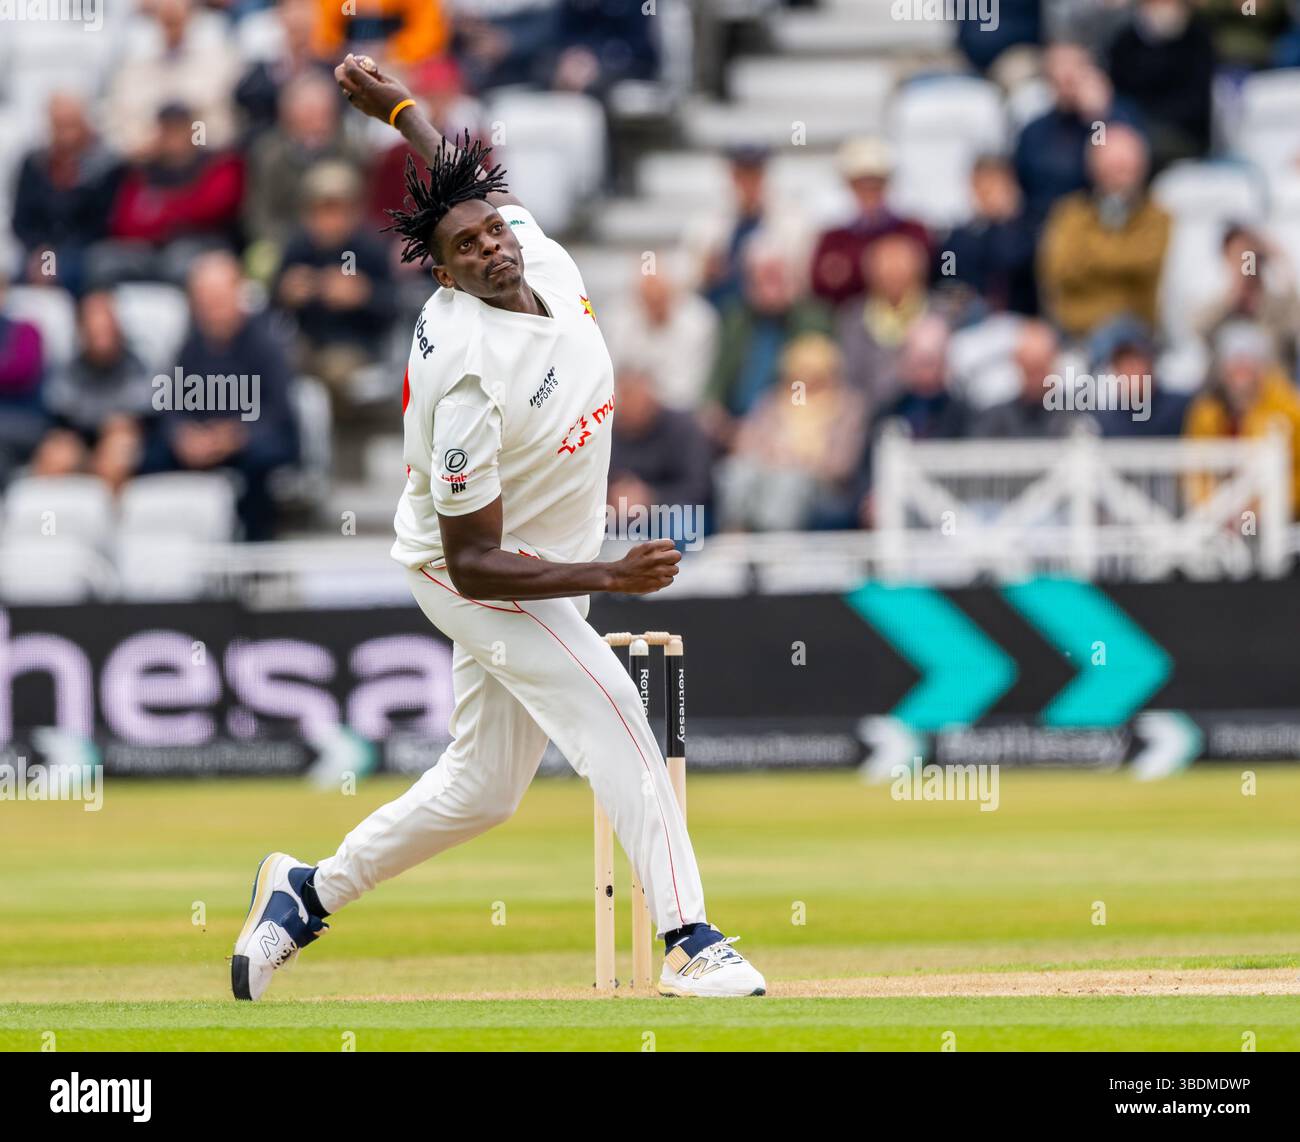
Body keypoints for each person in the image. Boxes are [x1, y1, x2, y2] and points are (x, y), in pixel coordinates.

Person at [229, 55, 767, 1002]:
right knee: (620, 719)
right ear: (442, 274)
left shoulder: (526, 245)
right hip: (467, 569)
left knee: (483, 789)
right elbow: (475, 564)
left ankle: (304, 893)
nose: (492, 247)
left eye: (492, 232)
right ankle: (692, 941)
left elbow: (460, 185)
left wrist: (399, 109)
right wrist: (607, 576)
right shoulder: (470, 375)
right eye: (468, 248)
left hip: (542, 560)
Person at [165, 252, 299, 540]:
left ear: (237, 295)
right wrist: (184, 436)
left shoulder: (267, 344)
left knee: (260, 463)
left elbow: (281, 414)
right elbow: (171, 406)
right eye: (204, 301)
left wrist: (237, 435)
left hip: (252, 445)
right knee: (153, 455)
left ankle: (256, 552)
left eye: (218, 299)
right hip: (204, 444)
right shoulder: (190, 347)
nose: (212, 309)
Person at [716, 333, 868, 533]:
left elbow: (841, 464)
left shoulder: (850, 406)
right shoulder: (772, 400)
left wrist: (799, 460)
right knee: (737, 470)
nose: (806, 378)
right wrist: (774, 457)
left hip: (821, 486)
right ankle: (733, 540)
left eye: (814, 372)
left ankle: (775, 549)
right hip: (769, 471)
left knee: (789, 480)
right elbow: (747, 441)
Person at [273, 161, 395, 399]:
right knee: (277, 358)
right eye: (319, 211)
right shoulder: (298, 246)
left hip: (358, 345)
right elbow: (272, 304)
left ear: (353, 212)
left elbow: (396, 306)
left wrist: (364, 295)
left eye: (335, 211)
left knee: (336, 369)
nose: (328, 222)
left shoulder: (370, 246)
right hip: (307, 340)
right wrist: (285, 293)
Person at [1038, 123, 1170, 340]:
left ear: (1142, 169)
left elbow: (1149, 265)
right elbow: (1058, 270)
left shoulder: (1158, 217)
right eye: (1110, 169)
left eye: (1125, 169)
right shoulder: (1069, 215)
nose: (1118, 179)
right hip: (1075, 334)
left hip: (1138, 338)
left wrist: (1090, 258)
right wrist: (1123, 259)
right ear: (1093, 171)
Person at [30, 292, 155, 491]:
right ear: (81, 330)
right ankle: (53, 519)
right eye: (93, 325)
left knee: (118, 449)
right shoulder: (69, 369)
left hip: (128, 447)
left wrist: (116, 426)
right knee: (57, 453)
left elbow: (140, 415)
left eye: (106, 325)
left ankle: (108, 520)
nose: (100, 332)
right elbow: (60, 414)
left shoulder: (137, 366)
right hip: (79, 440)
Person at [1013, 41, 1139, 229]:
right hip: (1043, 225)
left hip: (1099, 224)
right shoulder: (1035, 131)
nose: (1065, 76)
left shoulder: (1113, 119)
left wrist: (1097, 118)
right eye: (1058, 70)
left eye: (1073, 69)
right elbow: (1022, 184)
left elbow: (1108, 166)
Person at [11, 93, 122, 296]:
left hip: (85, 253)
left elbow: (102, 224)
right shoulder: (34, 163)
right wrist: (43, 252)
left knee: (65, 273)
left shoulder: (106, 166)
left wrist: (53, 258)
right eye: (58, 126)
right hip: (39, 251)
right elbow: (21, 220)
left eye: (71, 126)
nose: (65, 135)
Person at [1184, 322, 1300, 513]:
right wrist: (1213, 509)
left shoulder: (1288, 409)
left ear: (1261, 367)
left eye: (1247, 364)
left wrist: (1264, 507)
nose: (1240, 373)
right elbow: (1195, 471)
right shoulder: (1206, 412)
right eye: (1234, 364)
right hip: (1220, 520)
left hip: (1275, 521)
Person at [809, 137, 930, 309]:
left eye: (876, 183)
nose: (869, 191)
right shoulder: (833, 240)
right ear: (850, 186)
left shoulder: (913, 231)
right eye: (861, 184)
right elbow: (822, 287)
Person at [607, 364, 713, 541]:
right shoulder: (611, 431)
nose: (626, 403)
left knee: (680, 524)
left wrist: (650, 497)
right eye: (623, 395)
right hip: (622, 514)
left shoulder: (682, 429)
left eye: (632, 394)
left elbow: (699, 487)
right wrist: (615, 496)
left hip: (674, 511)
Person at [1106, 0, 1216, 169]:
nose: (1167, 7)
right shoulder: (1124, 42)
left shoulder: (1199, 40)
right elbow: (1117, 95)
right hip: (1132, 127)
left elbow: (1197, 105)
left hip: (1182, 136)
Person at [601, 264, 717, 412]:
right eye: (647, 300)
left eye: (660, 299)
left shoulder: (700, 322)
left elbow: (688, 391)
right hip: (624, 411)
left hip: (676, 414)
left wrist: (644, 396)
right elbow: (610, 378)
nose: (654, 307)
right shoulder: (616, 319)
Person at [935, 155, 1038, 317]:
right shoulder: (958, 238)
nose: (987, 196)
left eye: (993, 186)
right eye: (980, 187)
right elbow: (948, 279)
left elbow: (1013, 262)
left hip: (1020, 320)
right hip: (969, 321)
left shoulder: (1029, 231)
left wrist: (1004, 220)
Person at [970, 320, 1079, 438]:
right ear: (1019, 366)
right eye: (1029, 371)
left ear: (1053, 364)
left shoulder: (1074, 413)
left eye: (1039, 369)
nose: (1036, 380)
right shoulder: (997, 419)